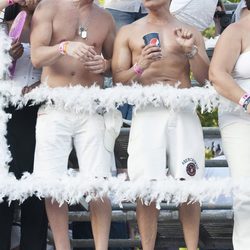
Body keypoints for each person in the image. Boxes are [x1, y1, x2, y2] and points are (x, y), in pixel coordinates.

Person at [112, 0, 209, 249]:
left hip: (183, 107)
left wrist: (190, 51)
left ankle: (191, 246)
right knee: (145, 187)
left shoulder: (190, 30)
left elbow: (206, 78)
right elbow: (118, 80)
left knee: (190, 185)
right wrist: (140, 65)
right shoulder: (129, 32)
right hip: (147, 110)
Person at [30, 0, 116, 250]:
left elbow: (116, 64)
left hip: (91, 108)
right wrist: (65, 46)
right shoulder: (48, 7)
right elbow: (36, 56)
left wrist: (105, 65)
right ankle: (61, 247)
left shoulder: (106, 18)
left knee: (98, 182)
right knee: (52, 183)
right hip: (55, 105)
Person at [0, 1, 48, 250]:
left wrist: (41, 86)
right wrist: (7, 54)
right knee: (3, 185)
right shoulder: (4, 18)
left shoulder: (52, 16)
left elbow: (60, 65)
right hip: (4, 110)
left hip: (38, 111)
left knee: (34, 185)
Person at [209, 1, 250, 249]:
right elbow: (217, 74)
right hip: (240, 118)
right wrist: (247, 101)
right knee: (246, 192)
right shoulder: (235, 31)